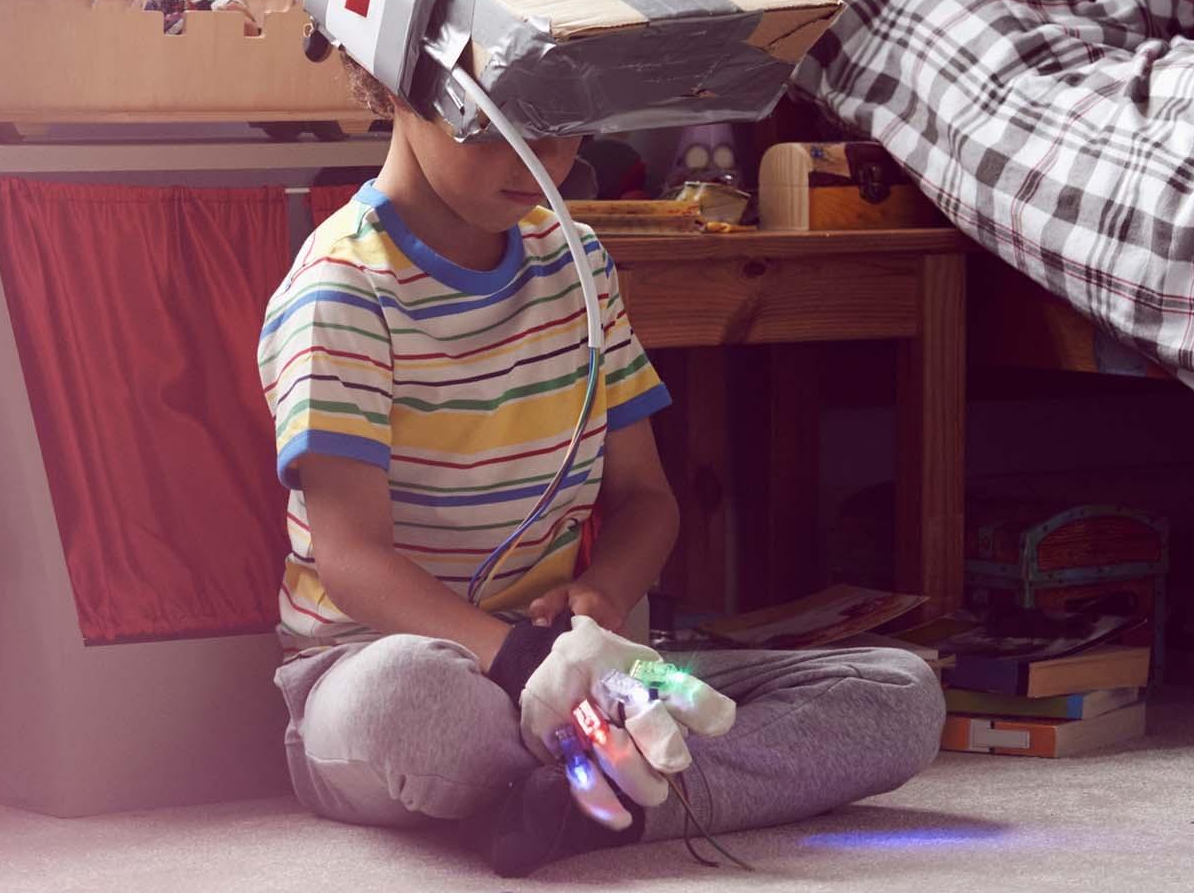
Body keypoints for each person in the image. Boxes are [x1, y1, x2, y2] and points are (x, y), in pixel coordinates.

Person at [255, 55, 947, 878]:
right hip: (385, 669)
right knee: (416, 700)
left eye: (560, 130)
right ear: (405, 87)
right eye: (505, 128)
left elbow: (647, 499)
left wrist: (607, 595)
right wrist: (519, 662)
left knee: (899, 695)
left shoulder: (576, 262)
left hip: (585, 676)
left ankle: (581, 813)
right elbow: (352, 558)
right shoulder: (342, 288)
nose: (541, 162)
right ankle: (615, 791)